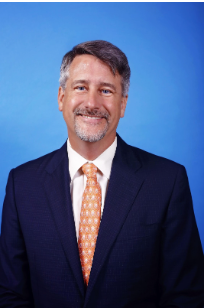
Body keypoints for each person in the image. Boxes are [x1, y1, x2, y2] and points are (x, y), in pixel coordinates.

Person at [0, 40, 203, 308]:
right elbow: (10, 295)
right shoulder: (21, 184)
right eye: (81, 87)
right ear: (62, 97)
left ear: (123, 104)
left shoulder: (168, 182)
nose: (92, 103)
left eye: (106, 90)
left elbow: (186, 296)